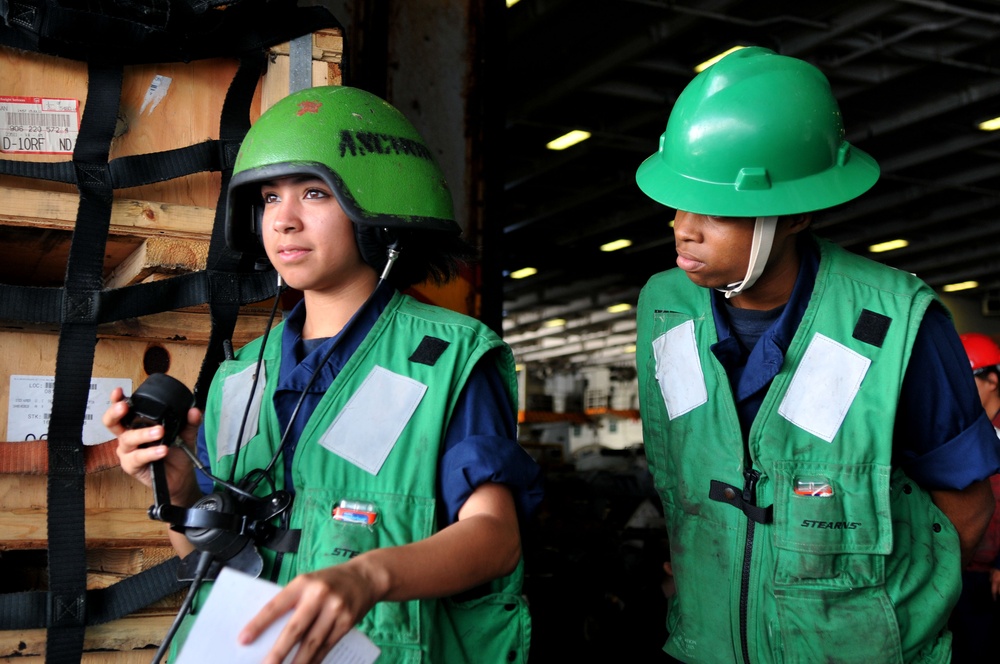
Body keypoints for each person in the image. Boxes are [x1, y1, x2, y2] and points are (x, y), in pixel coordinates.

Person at [103, 85, 542, 663]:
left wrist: (368, 577)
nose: (283, 220)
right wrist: (181, 491)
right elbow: (203, 556)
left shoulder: (447, 359)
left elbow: (496, 539)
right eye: (268, 198)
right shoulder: (240, 376)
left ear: (378, 215)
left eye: (314, 193)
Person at [633, 46, 1000, 663]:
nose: (682, 227)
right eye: (679, 201)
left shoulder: (890, 323)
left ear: (796, 213)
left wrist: (875, 626)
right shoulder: (663, 310)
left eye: (717, 210)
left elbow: (964, 514)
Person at [950, 333, 1000, 663]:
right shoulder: (957, 430)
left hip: (990, 577)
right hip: (954, 571)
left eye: (965, 380)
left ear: (992, 378)